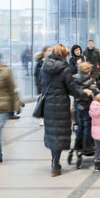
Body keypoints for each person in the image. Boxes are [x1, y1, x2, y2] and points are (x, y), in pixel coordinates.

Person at [39, 44, 92, 176]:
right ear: (63, 55)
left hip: (48, 105)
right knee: (59, 135)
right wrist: (85, 93)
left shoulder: (44, 67)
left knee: (53, 134)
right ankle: (55, 166)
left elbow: (41, 85)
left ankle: (54, 161)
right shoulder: (64, 69)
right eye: (67, 55)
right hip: (61, 105)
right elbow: (73, 90)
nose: (68, 57)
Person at [73, 61, 97, 156]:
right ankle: (87, 147)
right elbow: (96, 92)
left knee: (80, 126)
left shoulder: (73, 80)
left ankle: (78, 146)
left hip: (77, 107)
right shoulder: (90, 81)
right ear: (89, 72)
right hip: (88, 107)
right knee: (88, 126)